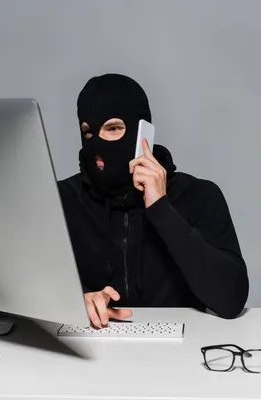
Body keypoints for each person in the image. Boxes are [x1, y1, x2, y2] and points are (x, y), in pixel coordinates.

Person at [58, 73, 249, 327]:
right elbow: (25, 281)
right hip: (93, 346)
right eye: (89, 133)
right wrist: (73, 300)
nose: (98, 146)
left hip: (180, 351)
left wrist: (161, 208)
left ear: (143, 132)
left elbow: (231, 300)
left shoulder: (198, 197)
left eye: (113, 128)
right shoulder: (62, 200)